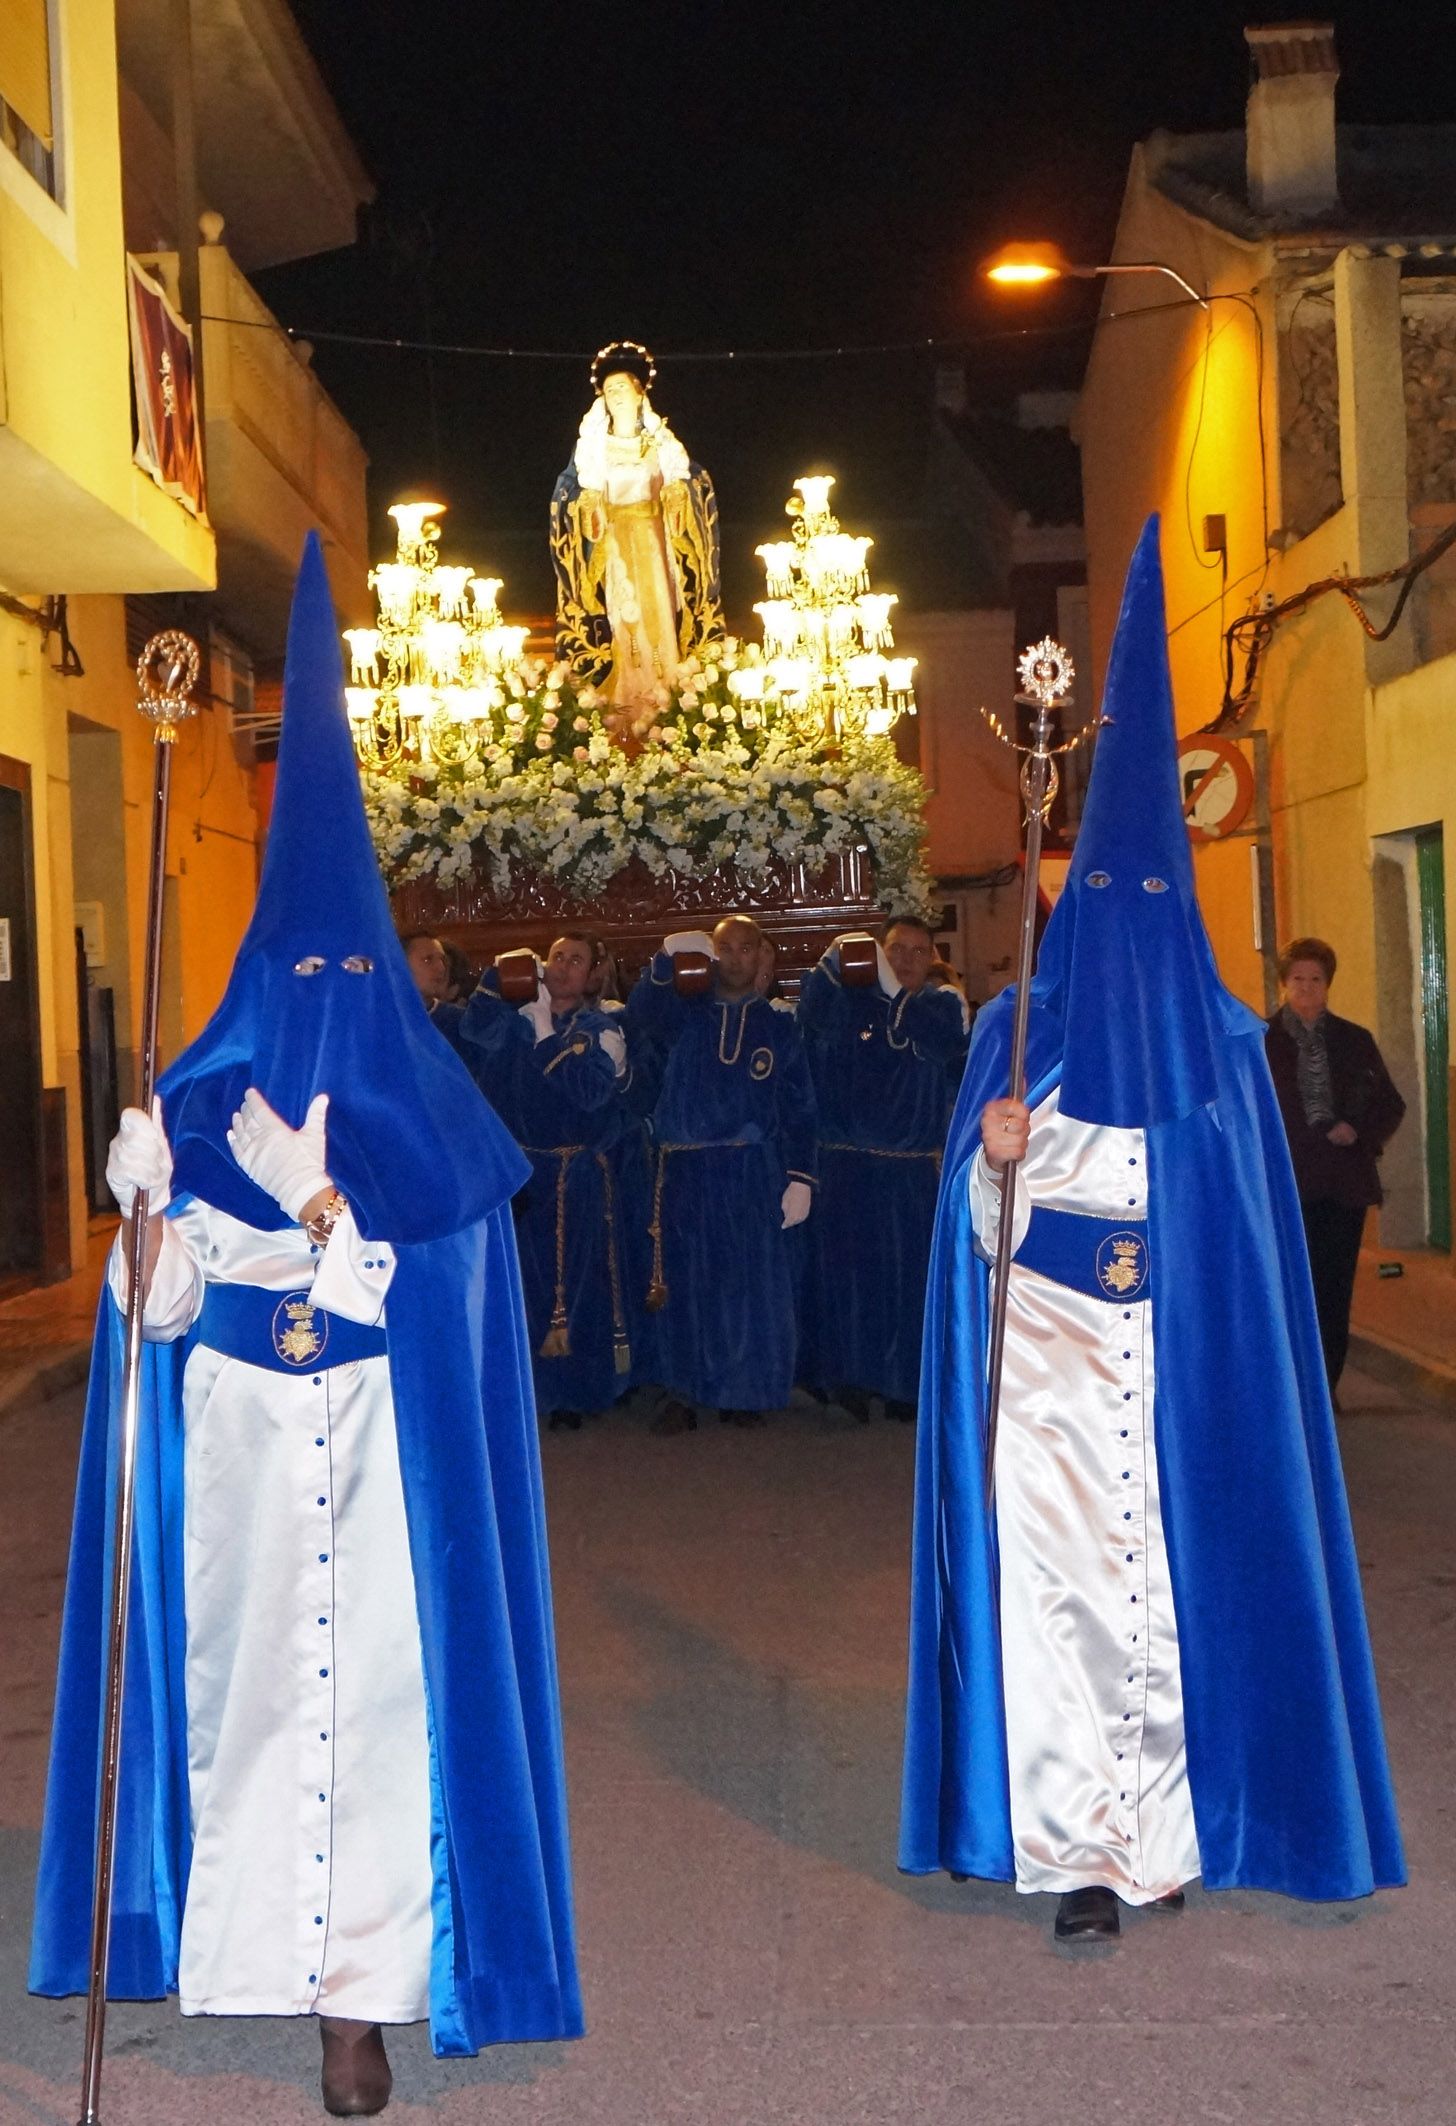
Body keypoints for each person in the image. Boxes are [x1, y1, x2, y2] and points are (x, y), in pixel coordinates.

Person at [30, 539, 582, 2114]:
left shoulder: (439, 1114)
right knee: (255, 1707)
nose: (329, 991)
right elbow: (172, 1314)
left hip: (385, 1474)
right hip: (245, 1471)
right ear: (267, 966)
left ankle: (365, 1994)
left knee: (383, 1714)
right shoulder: (204, 1098)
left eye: (355, 964)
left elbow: (453, 1323)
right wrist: (148, 1214)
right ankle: (258, 1953)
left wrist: (331, 1213)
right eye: (304, 966)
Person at [901, 518, 1404, 1946]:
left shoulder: (1228, 1044)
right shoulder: (1014, 1030)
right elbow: (973, 1243)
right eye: (1094, 903)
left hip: (1170, 1348)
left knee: (1168, 1595)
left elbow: (1237, 1232)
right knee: (1061, 1599)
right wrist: (991, 1170)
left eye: (1140, 901)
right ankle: (1072, 1849)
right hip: (1053, 1360)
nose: (1116, 927)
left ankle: (1163, 1830)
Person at [627, 915, 817, 1432]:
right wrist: (669, 958)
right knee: (682, 1278)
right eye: (724, 949)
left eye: (746, 948)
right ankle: (681, 1388)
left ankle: (744, 1387)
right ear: (711, 955)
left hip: (752, 1170)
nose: (735, 959)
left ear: (762, 956)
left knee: (746, 1281)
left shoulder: (779, 1029)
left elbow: (800, 1107)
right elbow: (640, 1016)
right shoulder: (682, 1015)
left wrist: (800, 1177)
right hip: (683, 1169)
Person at [457, 932, 652, 1430]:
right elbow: (473, 1034)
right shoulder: (514, 1020)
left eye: (576, 960)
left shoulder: (603, 1029)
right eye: (557, 956)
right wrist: (496, 980)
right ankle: (522, 1390)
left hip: (575, 1174)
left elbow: (589, 1095)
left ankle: (575, 1392)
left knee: (575, 1285)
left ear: (592, 976)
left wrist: (546, 1034)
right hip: (520, 1173)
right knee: (521, 1282)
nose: (563, 966)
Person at [797, 918, 969, 1421]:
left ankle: (904, 1386)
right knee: (848, 1281)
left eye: (918, 951)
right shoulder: (846, 1002)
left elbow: (944, 1042)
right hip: (844, 1166)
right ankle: (848, 1378)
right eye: (895, 950)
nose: (906, 960)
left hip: (908, 1173)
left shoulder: (941, 1004)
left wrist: (892, 992)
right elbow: (810, 1011)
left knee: (907, 1281)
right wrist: (833, 963)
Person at [550, 340, 724, 729]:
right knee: (623, 615)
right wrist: (588, 506)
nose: (615, 396)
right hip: (615, 545)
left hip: (655, 542)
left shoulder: (661, 444)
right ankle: (630, 691)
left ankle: (667, 686)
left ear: (639, 392)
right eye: (608, 391)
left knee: (660, 609)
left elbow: (688, 483)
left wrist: (678, 493)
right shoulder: (595, 450)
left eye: (622, 388)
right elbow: (573, 497)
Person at [1265, 938, 1405, 1396]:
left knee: (1333, 1290)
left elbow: (1389, 1104)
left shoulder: (1354, 1041)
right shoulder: (1262, 1044)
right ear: (1284, 984)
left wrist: (1358, 1131)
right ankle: (1290, 1390)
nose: (1307, 988)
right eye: (1298, 979)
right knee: (1288, 1288)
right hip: (1286, 1185)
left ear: (1328, 985)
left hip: (1341, 1185)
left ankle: (1326, 1388)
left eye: (1316, 979)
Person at [400, 929, 466, 1053]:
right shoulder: (385, 1019)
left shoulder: (462, 1023)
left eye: (443, 960)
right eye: (428, 960)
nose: (441, 968)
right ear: (401, 965)